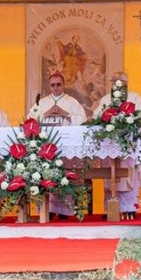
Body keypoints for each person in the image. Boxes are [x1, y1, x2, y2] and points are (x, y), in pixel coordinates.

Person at [93, 71, 141, 216]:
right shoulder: (105, 99)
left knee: (129, 175)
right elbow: (96, 116)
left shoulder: (135, 97)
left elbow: (140, 117)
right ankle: (111, 208)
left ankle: (130, 208)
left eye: (119, 80)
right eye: (113, 80)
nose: (116, 83)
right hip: (108, 143)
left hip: (128, 143)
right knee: (111, 176)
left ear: (126, 83)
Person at [38, 72, 87, 217]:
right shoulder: (42, 103)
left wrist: (66, 114)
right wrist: (46, 114)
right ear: (49, 86)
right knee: (49, 175)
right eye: (53, 85)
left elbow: (83, 119)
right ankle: (49, 210)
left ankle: (66, 210)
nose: (56, 87)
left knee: (66, 175)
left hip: (67, 145)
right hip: (48, 146)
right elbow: (32, 119)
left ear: (63, 85)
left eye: (58, 84)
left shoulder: (72, 102)